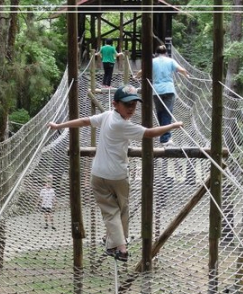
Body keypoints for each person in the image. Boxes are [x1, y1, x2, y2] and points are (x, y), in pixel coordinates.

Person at [48, 84, 183, 262]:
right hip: (117, 177)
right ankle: (121, 249)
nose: (131, 109)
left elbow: (84, 121)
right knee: (117, 212)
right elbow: (150, 133)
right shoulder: (123, 125)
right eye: (127, 105)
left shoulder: (106, 116)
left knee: (116, 211)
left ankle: (113, 241)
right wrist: (172, 126)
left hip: (98, 175)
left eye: (134, 105)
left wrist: (59, 125)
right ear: (115, 104)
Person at [136, 44, 188, 146]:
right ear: (165, 53)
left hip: (157, 91)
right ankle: (165, 138)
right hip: (169, 90)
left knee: (160, 113)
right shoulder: (170, 61)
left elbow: (141, 71)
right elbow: (181, 70)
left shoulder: (152, 61)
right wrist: (186, 75)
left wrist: (136, 76)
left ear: (156, 53)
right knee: (167, 113)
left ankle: (163, 135)